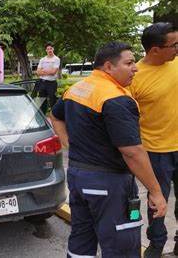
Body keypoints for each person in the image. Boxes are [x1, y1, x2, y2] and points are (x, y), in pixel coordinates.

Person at [51, 42, 167, 257]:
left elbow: (55, 116)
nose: (136, 68)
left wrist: (71, 144)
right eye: (129, 62)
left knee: (82, 237)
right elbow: (133, 152)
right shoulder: (116, 99)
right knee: (121, 243)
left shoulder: (76, 89)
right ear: (108, 66)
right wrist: (156, 191)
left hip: (78, 178)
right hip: (109, 183)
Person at [127, 22, 178, 257]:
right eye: (174, 44)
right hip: (156, 152)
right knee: (157, 204)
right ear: (155, 50)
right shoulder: (134, 77)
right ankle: (156, 247)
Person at [33, 41, 60, 114]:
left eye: (51, 48)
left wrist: (43, 71)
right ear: (46, 50)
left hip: (52, 83)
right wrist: (47, 72)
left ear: (53, 49)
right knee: (42, 102)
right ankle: (43, 119)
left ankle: (55, 118)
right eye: (48, 49)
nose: (49, 50)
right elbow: (38, 72)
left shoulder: (56, 59)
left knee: (52, 101)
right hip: (42, 82)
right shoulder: (43, 59)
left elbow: (53, 72)